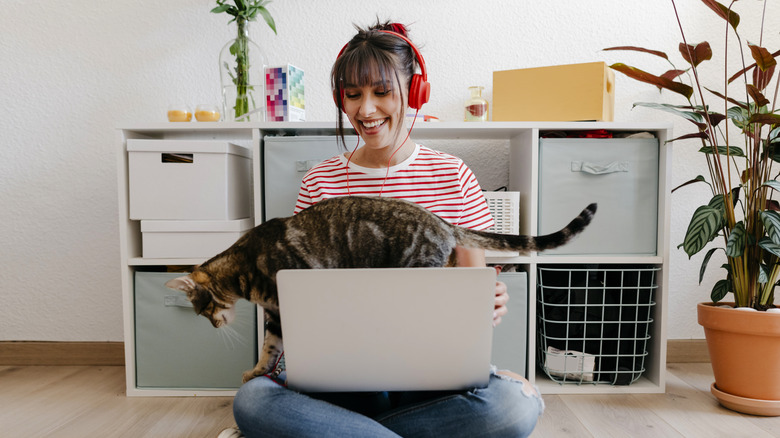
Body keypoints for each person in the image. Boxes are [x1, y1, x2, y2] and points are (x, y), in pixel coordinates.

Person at [227, 20, 544, 438]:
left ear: (413, 93)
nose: (366, 110)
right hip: (340, 379)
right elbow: (299, 294)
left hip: (431, 378)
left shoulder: (454, 175)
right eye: (353, 95)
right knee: (252, 402)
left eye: (382, 92)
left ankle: (351, 433)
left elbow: (474, 287)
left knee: (514, 407)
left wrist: (490, 301)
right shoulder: (319, 182)